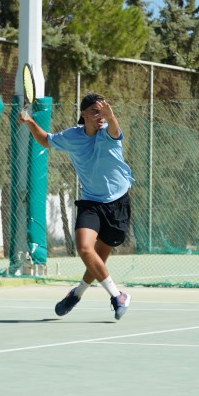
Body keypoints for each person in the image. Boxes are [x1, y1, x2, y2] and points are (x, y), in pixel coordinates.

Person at [18, 93, 134, 320]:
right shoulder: (72, 136)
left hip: (118, 203)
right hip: (91, 202)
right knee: (84, 248)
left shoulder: (110, 133)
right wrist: (30, 122)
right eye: (94, 111)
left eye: (103, 111)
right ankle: (117, 296)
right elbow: (45, 140)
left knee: (97, 259)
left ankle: (77, 293)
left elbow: (114, 127)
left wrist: (112, 116)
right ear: (83, 114)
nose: (99, 116)